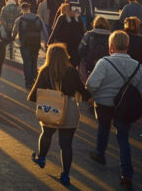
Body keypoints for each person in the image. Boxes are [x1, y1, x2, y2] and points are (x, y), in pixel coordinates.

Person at [86, 31, 142, 189]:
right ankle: (126, 174)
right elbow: (140, 91)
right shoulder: (138, 66)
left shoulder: (104, 62)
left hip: (104, 104)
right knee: (123, 138)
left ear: (111, 46)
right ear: (127, 46)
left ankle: (100, 153)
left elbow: (91, 84)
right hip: (125, 107)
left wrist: (95, 94)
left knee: (103, 127)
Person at [28, 43, 90, 187]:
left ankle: (42, 157)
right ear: (65, 56)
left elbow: (33, 95)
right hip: (69, 109)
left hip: (51, 108)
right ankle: (65, 176)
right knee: (66, 145)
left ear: (49, 56)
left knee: (46, 133)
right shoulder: (72, 72)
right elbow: (84, 93)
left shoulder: (45, 71)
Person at [11, 3, 48, 89]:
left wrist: (12, 38)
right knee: (34, 61)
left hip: (25, 43)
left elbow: (14, 31)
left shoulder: (20, 19)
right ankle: (35, 79)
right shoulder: (38, 18)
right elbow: (45, 31)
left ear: (22, 9)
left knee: (27, 62)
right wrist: (46, 42)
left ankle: (28, 82)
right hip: (36, 43)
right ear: (29, 8)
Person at [48, 4, 85, 69]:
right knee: (73, 64)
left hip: (63, 45)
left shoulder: (61, 17)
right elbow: (83, 31)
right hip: (75, 44)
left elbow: (55, 31)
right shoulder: (78, 17)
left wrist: (49, 43)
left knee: (64, 64)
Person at [77, 16, 111, 82]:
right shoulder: (111, 36)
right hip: (105, 66)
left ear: (94, 24)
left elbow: (80, 50)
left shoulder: (88, 35)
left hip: (89, 66)